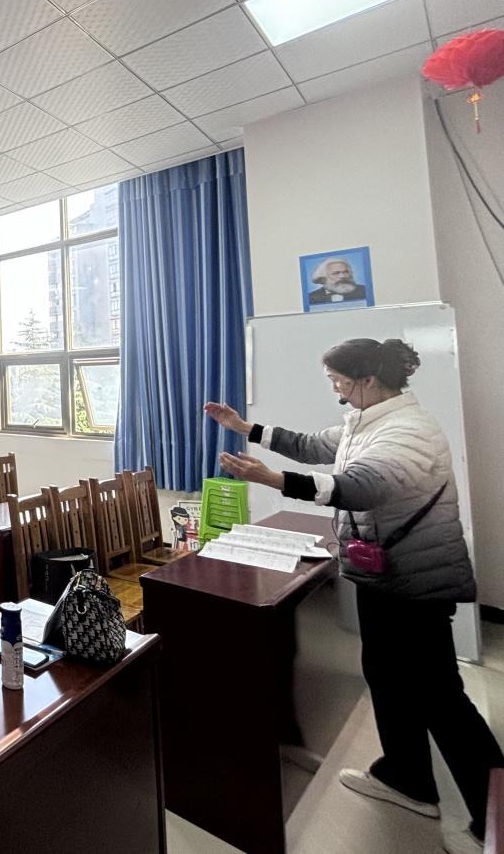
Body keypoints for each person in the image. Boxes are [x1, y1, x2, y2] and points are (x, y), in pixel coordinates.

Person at [206, 338, 498, 854]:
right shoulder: (363, 422)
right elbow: (309, 445)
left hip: (416, 581)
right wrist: (244, 427)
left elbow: (361, 486)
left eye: (339, 381)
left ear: (367, 380)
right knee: (385, 675)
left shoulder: (408, 430)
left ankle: (494, 820)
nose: (337, 391)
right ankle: (407, 778)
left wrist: (273, 480)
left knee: (439, 696)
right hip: (382, 578)